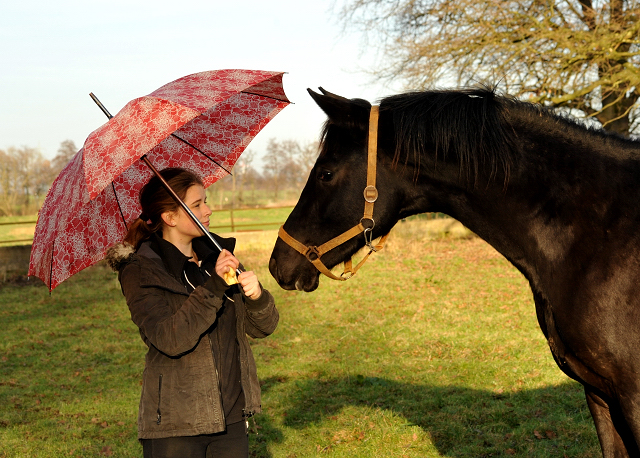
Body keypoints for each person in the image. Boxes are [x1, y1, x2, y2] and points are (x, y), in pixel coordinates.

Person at [106, 167, 279, 458]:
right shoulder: (140, 271)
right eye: (197, 205)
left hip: (232, 418)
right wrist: (214, 287)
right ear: (169, 217)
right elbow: (170, 338)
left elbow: (262, 327)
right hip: (176, 426)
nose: (209, 210)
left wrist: (257, 297)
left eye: (205, 201)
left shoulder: (218, 258)